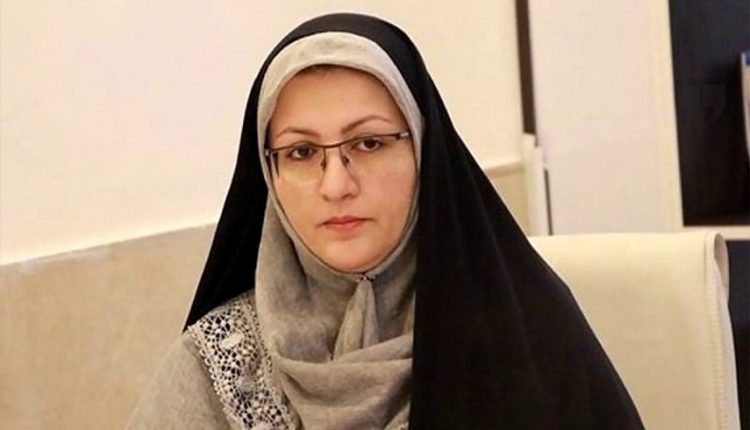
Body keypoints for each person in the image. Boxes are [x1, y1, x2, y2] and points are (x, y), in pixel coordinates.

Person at [128, 13, 644, 429]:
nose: (336, 185)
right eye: (301, 152)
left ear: (423, 152)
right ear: (269, 173)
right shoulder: (216, 367)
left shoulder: (528, 336)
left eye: (370, 143)